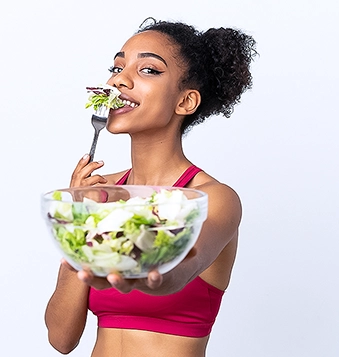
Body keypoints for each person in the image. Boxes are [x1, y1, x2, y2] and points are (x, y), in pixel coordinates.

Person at [44, 17, 257, 356]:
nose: (119, 80)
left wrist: (146, 274)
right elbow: (61, 338)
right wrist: (78, 225)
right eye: (117, 67)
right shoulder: (99, 195)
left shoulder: (213, 199)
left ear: (185, 102)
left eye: (148, 70)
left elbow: (183, 270)